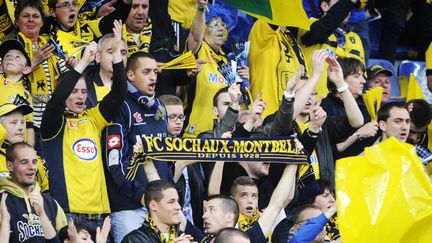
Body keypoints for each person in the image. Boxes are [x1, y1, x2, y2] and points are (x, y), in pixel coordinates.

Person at [40, 20, 127, 233]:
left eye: (83, 91)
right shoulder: (53, 124)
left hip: (100, 215)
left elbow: (118, 94)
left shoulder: (93, 118)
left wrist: (116, 53)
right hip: (67, 213)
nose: (80, 96)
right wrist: (83, 63)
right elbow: (56, 101)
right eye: (74, 91)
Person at [103, 51, 173, 242]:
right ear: (131, 75)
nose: (153, 77)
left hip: (158, 206)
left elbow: (163, 157)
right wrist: (140, 195)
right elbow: (114, 160)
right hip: (129, 207)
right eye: (147, 72)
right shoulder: (120, 106)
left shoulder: (159, 106)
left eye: (156, 72)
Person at [183, 0, 250, 137]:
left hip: (223, 136)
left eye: (223, 25)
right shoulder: (199, 50)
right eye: (214, 24)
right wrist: (201, 10)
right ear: (204, 28)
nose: (221, 28)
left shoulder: (227, 61)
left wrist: (245, 83)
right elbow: (195, 37)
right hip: (196, 134)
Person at [0, 142, 67, 242]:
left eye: (34, 162)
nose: (32, 167)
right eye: (24, 162)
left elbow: (65, 239)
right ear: (10, 165)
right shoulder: (2, 201)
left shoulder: (50, 203)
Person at [296, 0, 364, 97]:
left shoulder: (354, 38)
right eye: (340, 2)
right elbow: (325, 27)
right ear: (324, 6)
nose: (346, 8)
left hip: (341, 101)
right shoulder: (309, 24)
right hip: (311, 100)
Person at [159, 95, 206, 228]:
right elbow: (160, 192)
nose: (178, 122)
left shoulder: (189, 146)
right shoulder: (155, 149)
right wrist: (182, 163)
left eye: (181, 117)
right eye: (172, 117)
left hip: (193, 224)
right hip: (169, 224)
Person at [321, 57, 378, 159]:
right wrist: (358, 134)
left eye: (363, 76)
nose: (363, 81)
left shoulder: (366, 104)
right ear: (339, 78)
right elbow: (327, 152)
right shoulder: (325, 107)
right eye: (357, 76)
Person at [0, 94, 49, 191]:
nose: (21, 127)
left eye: (22, 122)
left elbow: (46, 190)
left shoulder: (34, 157)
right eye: (14, 122)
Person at [122, 180, 194, 243]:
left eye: (177, 201)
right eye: (171, 202)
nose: (178, 207)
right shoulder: (134, 239)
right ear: (153, 206)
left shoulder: (185, 237)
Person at [0, 39, 35, 146]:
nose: (11, 58)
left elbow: (29, 126)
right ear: (1, 67)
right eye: (7, 56)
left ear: (26, 69)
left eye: (17, 57)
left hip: (18, 148)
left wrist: (30, 150)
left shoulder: (27, 95)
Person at [85, 31, 129, 107]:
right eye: (111, 52)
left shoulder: (134, 87)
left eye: (123, 53)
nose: (118, 57)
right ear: (98, 57)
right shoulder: (84, 86)